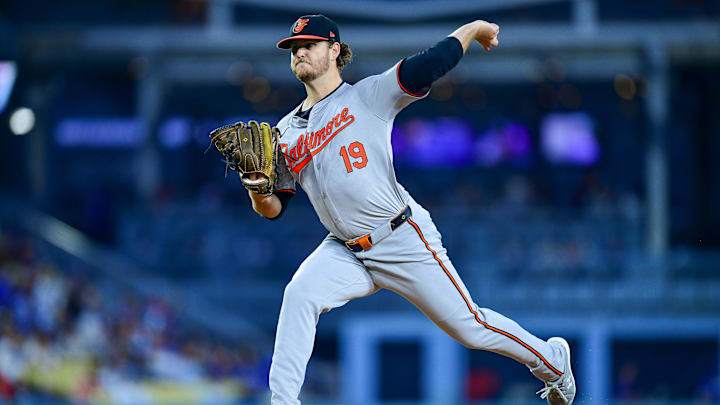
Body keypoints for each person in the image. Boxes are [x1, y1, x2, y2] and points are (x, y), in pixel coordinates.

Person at [247, 14, 576, 405]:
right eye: (294, 48)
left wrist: (471, 29)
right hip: (344, 248)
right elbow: (273, 208)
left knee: (470, 327)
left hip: (399, 236)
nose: (299, 52)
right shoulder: (284, 131)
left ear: (334, 51)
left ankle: (552, 361)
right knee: (299, 294)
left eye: (310, 45)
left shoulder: (366, 96)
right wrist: (254, 186)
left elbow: (430, 63)